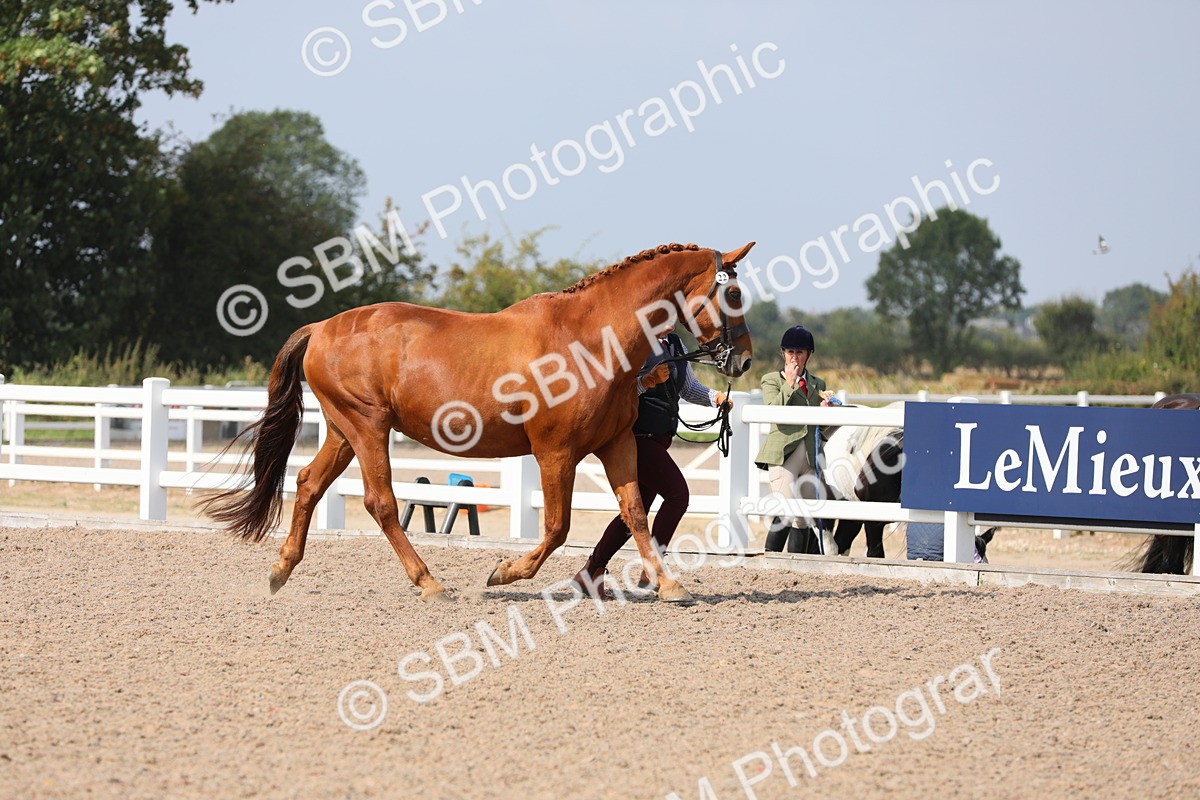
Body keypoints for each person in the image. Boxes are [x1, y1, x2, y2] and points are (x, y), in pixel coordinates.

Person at [572, 332, 731, 597]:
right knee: (677, 495)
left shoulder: (675, 343)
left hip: (658, 439)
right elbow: (614, 391)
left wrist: (715, 397)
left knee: (635, 513)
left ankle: (591, 572)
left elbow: (688, 388)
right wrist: (647, 381)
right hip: (634, 440)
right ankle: (653, 566)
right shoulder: (633, 341)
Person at [754, 325, 835, 554]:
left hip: (810, 456)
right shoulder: (771, 380)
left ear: (808, 354)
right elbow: (772, 411)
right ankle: (771, 558)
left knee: (805, 516)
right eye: (790, 352)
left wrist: (827, 412)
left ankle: (798, 564)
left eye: (799, 352)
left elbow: (822, 428)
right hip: (784, 454)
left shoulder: (818, 384)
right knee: (785, 509)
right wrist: (789, 384)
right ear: (783, 353)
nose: (794, 357)